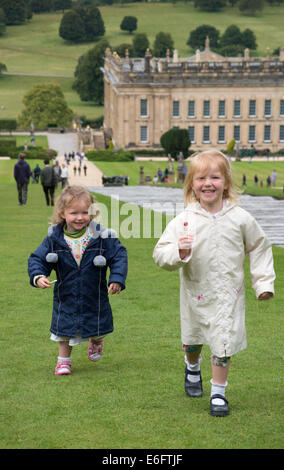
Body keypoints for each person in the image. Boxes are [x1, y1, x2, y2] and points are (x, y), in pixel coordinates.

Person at [153, 149, 275, 417]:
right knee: (194, 340)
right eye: (200, 178)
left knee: (223, 342)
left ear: (227, 182)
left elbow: (259, 247)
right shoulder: (184, 220)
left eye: (215, 177)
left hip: (229, 294)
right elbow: (160, 254)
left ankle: (218, 392)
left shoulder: (240, 218)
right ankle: (192, 366)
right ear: (191, 185)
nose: (208, 183)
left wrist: (263, 282)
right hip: (196, 293)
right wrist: (179, 252)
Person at [28, 186, 128, 376]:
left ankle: (97, 340)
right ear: (62, 213)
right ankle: (63, 361)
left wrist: (116, 278)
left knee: (98, 324)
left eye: (85, 212)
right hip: (66, 293)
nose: (80, 217)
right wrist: (39, 276)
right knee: (63, 328)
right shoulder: (54, 238)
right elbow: (37, 259)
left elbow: (119, 255)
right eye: (74, 213)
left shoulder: (101, 236)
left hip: (94, 292)